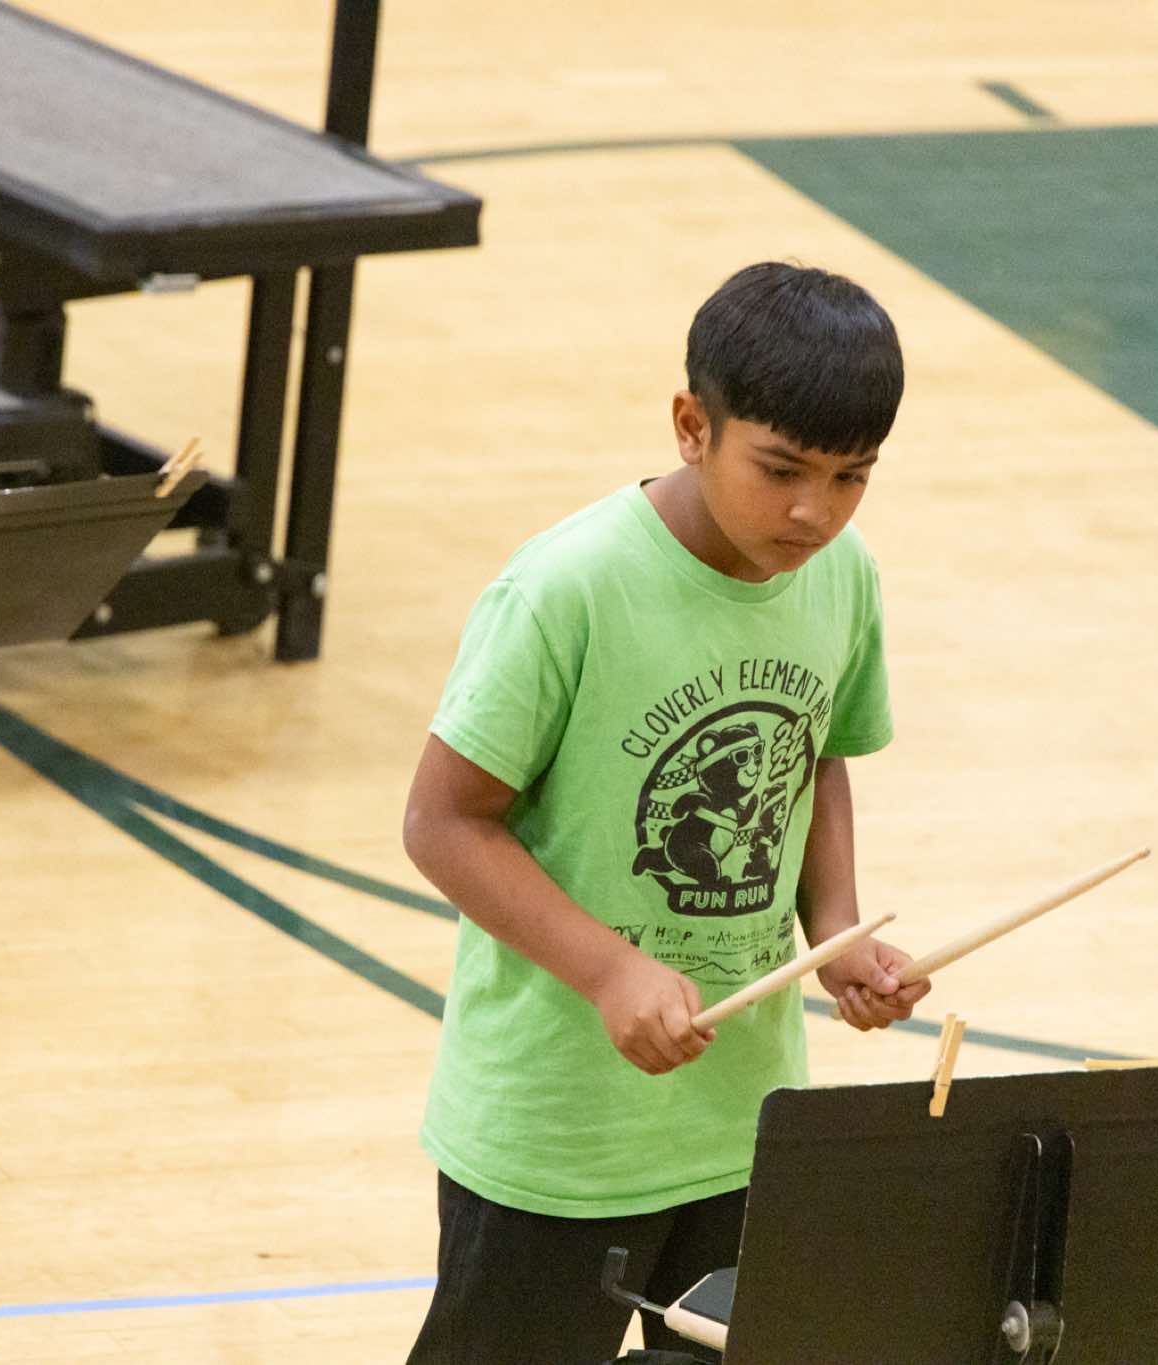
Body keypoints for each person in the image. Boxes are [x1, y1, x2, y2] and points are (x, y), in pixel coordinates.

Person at [401, 262, 932, 1363]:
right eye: (780, 469)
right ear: (692, 426)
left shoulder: (841, 576)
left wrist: (835, 929)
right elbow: (443, 823)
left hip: (741, 1126)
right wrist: (609, 971)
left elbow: (812, 751)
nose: (814, 510)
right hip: (558, 1137)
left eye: (851, 478)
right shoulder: (567, 589)